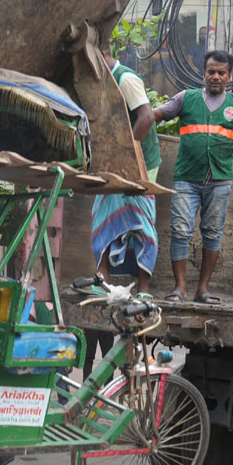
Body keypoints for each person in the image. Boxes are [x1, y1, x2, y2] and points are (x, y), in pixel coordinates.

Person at [151, 50, 233, 304]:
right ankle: (179, 289)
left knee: (213, 232)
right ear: (203, 74)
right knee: (180, 230)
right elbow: (155, 114)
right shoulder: (186, 98)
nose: (215, 76)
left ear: (229, 76)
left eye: (221, 72)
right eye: (211, 72)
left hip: (219, 179)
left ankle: (202, 290)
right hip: (186, 178)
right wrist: (137, 115)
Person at [90, 51, 160, 297]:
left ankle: (143, 288)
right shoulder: (101, 82)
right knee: (101, 215)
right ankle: (102, 280)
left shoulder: (126, 79)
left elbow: (147, 117)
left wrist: (125, 154)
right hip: (113, 161)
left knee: (141, 222)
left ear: (102, 54)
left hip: (139, 162)